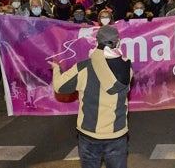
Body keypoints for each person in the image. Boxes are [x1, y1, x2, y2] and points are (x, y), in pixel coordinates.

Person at [49, 25, 133, 167]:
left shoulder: (82, 68)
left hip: (89, 134)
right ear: (118, 43)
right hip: (117, 133)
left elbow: (60, 87)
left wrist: (56, 70)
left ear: (96, 42)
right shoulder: (127, 69)